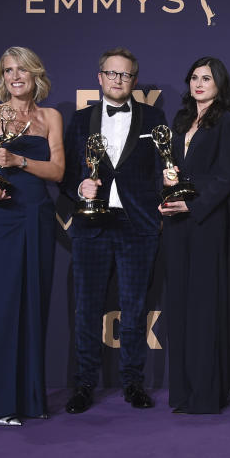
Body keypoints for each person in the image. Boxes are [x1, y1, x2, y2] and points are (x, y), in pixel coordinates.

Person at [0, 47, 64, 425]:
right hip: (0, 218)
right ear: (1, 78)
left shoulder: (50, 117)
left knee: (33, 305)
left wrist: (20, 161)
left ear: (36, 74)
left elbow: (56, 171)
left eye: (22, 70)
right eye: (7, 71)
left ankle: (31, 400)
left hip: (36, 216)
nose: (15, 77)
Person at [61, 47, 167, 414]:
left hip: (138, 225)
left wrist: (161, 200)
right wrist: (80, 188)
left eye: (125, 75)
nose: (118, 80)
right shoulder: (79, 120)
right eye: (111, 74)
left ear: (134, 80)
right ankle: (84, 384)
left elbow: (161, 168)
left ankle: (133, 382)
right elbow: (66, 173)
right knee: (87, 308)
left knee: (135, 309)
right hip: (92, 224)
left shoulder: (154, 118)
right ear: (100, 77)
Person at [158, 57, 230, 414]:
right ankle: (182, 392)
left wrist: (192, 206)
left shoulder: (228, 123)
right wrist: (166, 190)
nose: (199, 84)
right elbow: (167, 168)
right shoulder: (178, 123)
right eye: (194, 77)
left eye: (206, 78)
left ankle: (207, 394)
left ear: (219, 84)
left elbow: (227, 176)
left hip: (207, 221)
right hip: (176, 225)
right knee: (178, 305)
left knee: (205, 306)